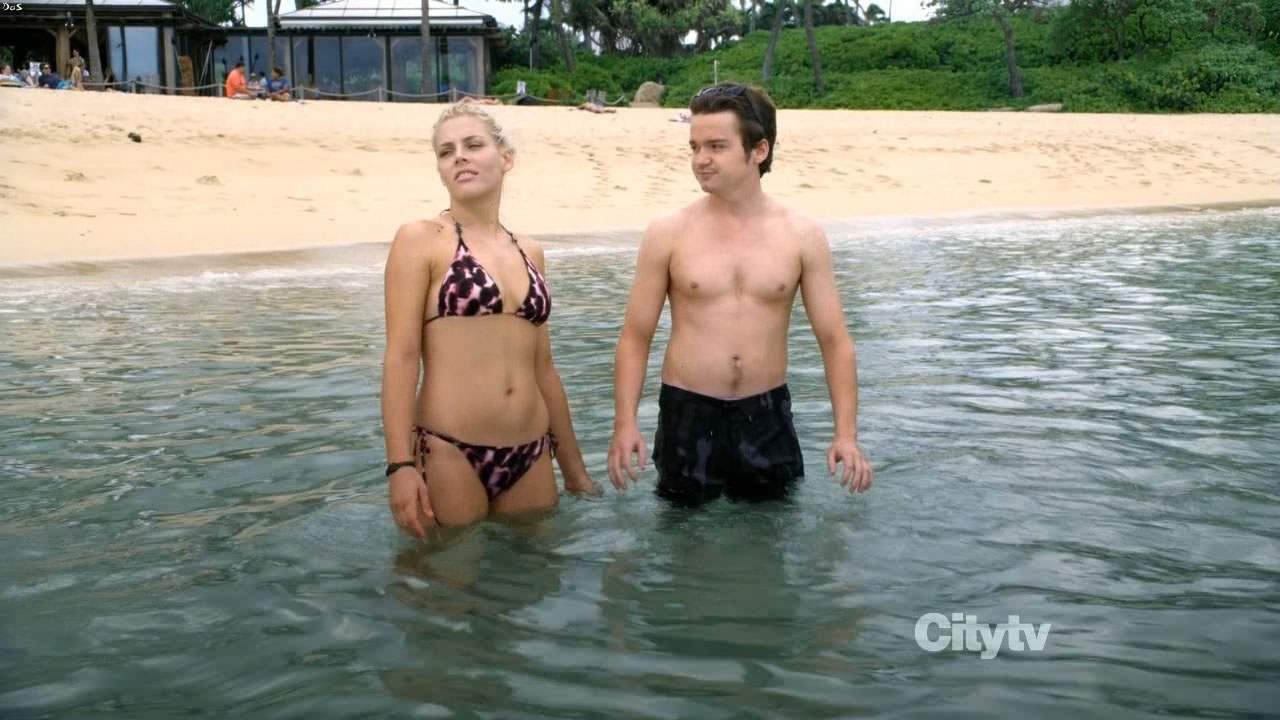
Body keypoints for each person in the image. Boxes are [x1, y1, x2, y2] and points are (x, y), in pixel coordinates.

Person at [607, 82, 873, 506]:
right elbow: (635, 338)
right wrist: (625, 425)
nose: (700, 159)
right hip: (687, 413)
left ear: (759, 150)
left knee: (771, 535)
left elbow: (835, 341)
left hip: (766, 416)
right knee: (680, 533)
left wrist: (846, 435)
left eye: (716, 146)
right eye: (695, 147)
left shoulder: (801, 235)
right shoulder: (668, 233)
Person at [382, 103, 596, 535]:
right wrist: (400, 466)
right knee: (448, 572)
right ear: (440, 170)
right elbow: (401, 357)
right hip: (449, 449)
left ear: (506, 158)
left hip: (532, 452)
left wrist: (574, 469)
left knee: (536, 572)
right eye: (446, 152)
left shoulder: (529, 251)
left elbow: (544, 368)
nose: (459, 156)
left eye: (473, 145)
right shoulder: (421, 240)